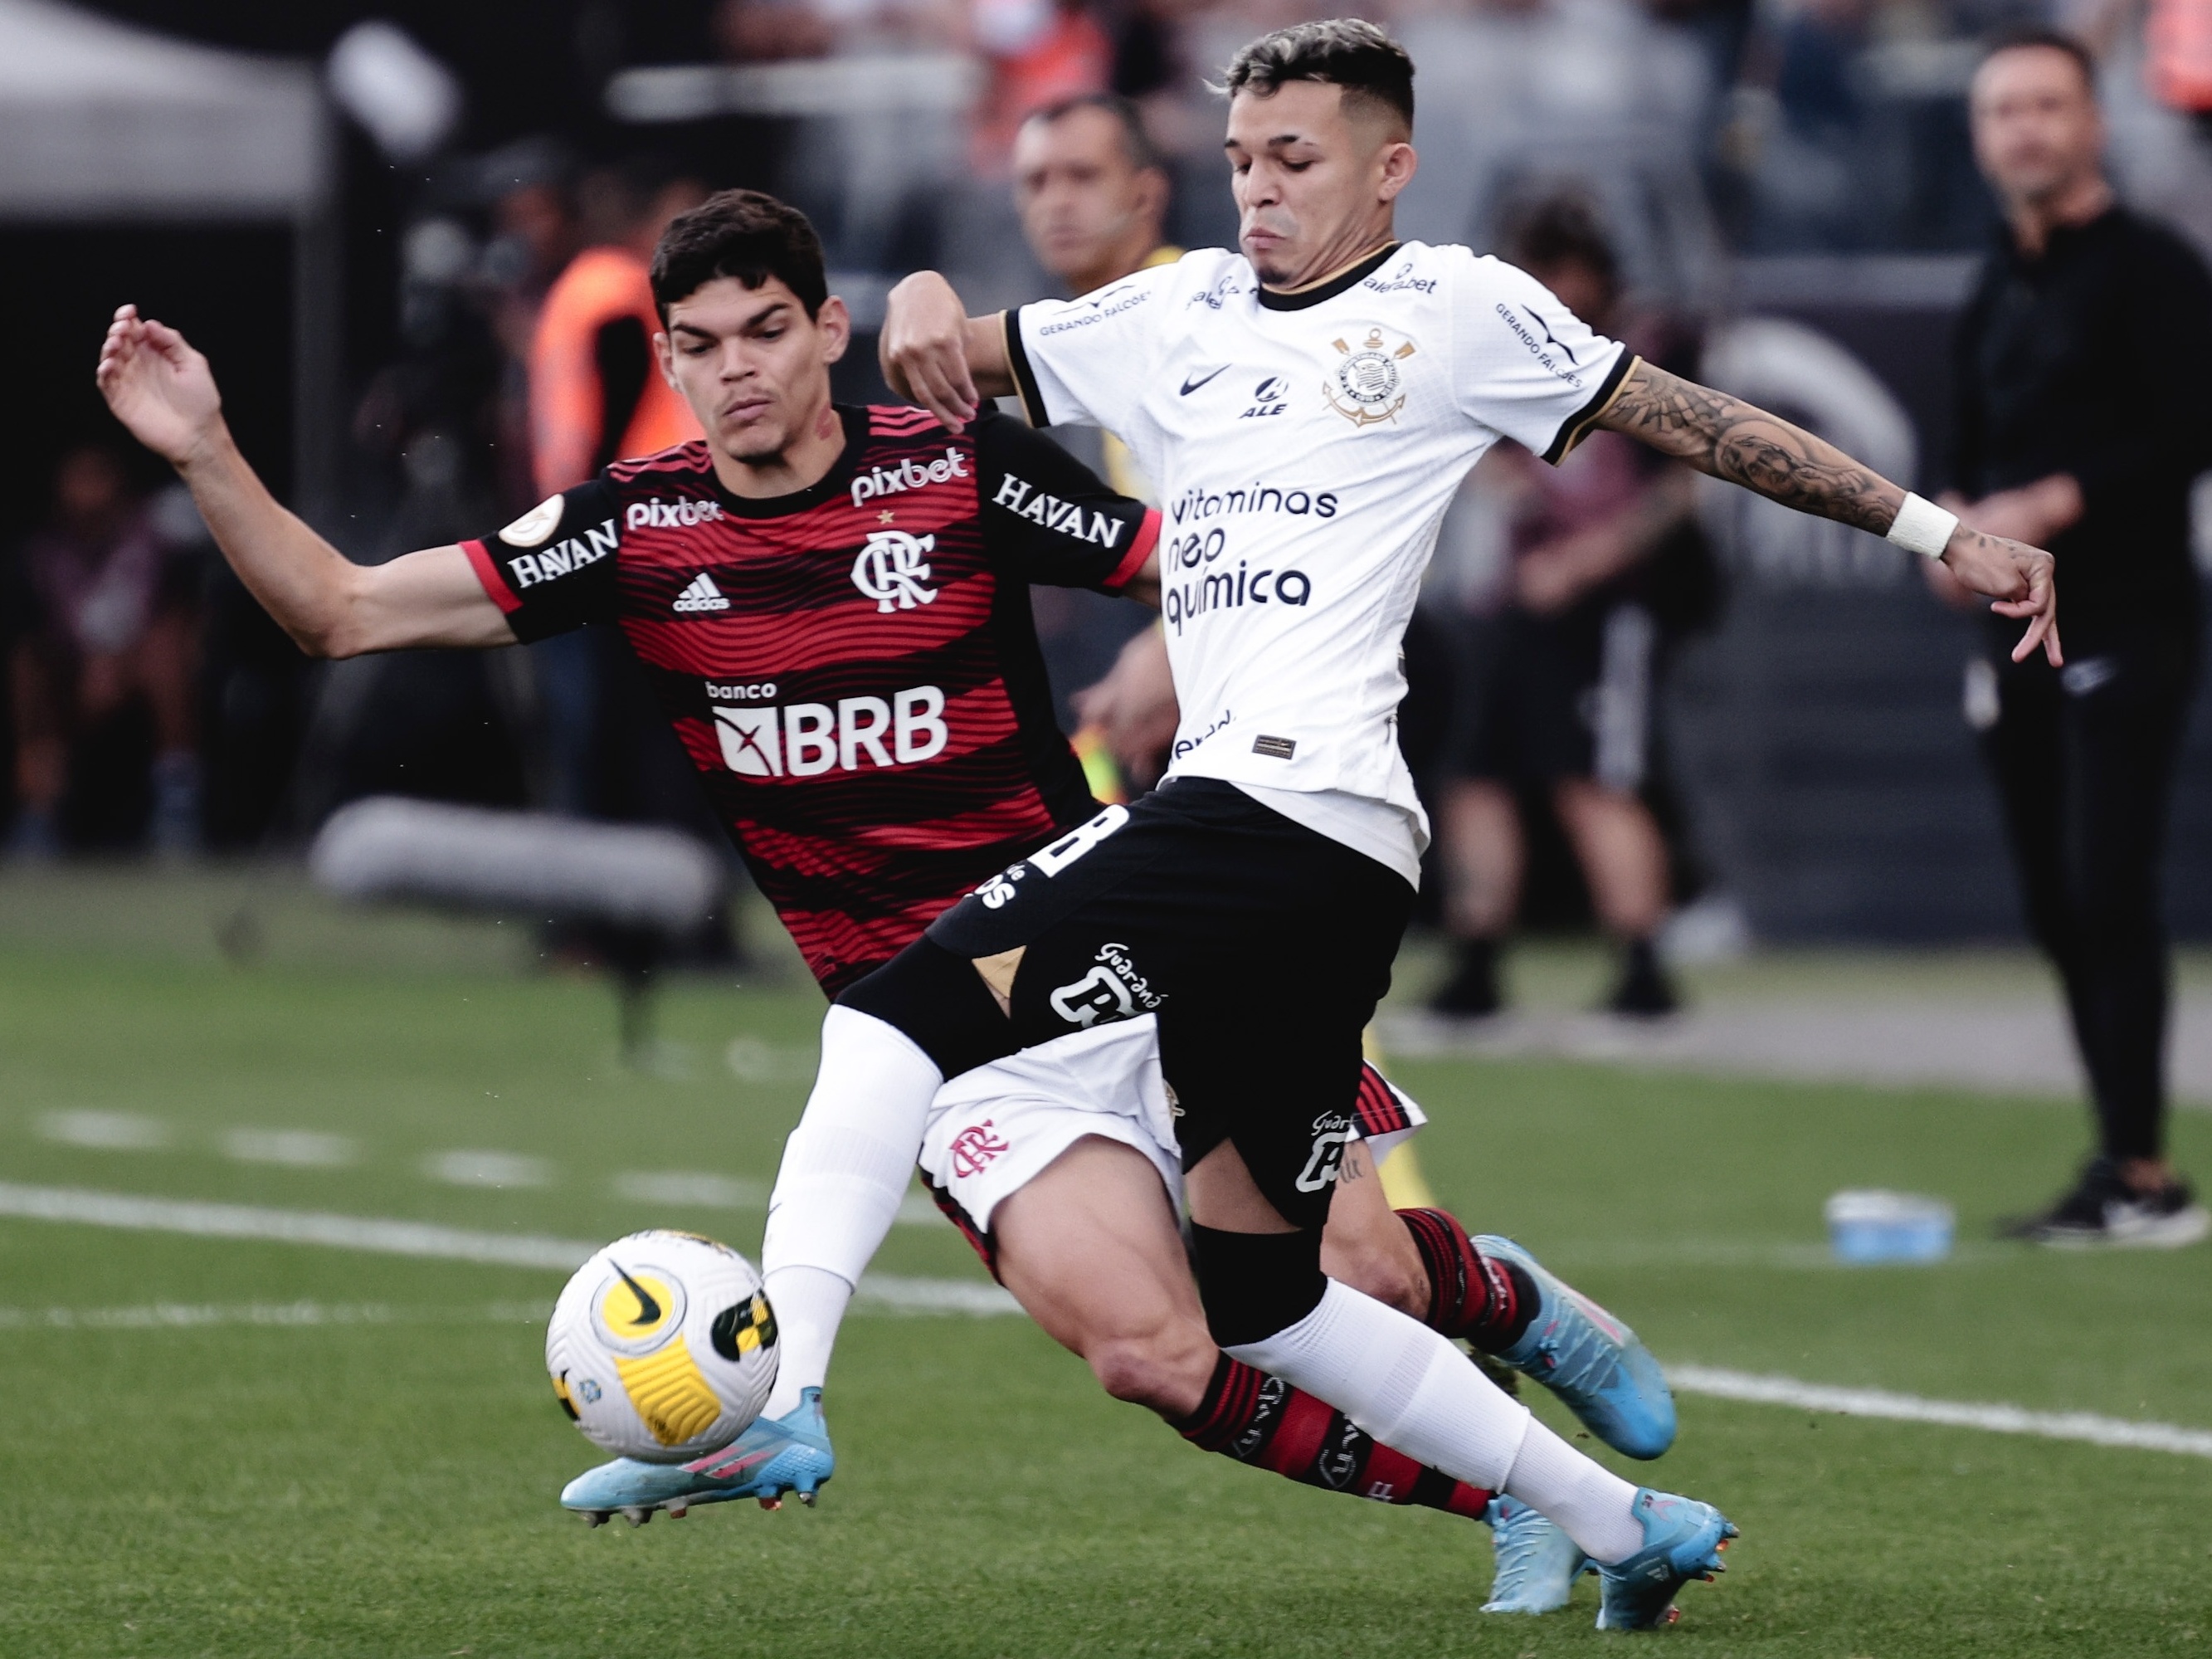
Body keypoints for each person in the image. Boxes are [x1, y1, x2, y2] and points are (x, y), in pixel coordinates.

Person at [95, 188, 1665, 1618]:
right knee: (1152, 1350)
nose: (738, 372)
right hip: (943, 1045)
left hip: (1134, 941)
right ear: (671, 359)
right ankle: (1511, 1502)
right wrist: (202, 448)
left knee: (1362, 1281)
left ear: (828, 331)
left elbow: (1211, 570)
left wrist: (1196, 689)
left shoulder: (954, 468)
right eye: (700, 346)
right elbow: (340, 609)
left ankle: (1509, 1298)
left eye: (769, 331)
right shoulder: (635, 527)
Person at [804, 16, 2057, 1630]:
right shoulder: (1166, 312)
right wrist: (914, 300)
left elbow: (1692, 422)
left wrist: (1934, 533)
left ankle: (780, 1380)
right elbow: (943, 350)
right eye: (1241, 162)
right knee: (1260, 1294)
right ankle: (1625, 1522)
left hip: (1286, 812)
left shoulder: (1457, 309)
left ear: (1391, 167)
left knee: (902, 1015)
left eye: (1296, 162)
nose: (1257, 194)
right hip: (1303, 854)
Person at [1937, 28, 2211, 1248]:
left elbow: (2186, 428)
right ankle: (2116, 1155)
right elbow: (1959, 446)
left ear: (2092, 121)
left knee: (2106, 883)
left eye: (2048, 105)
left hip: (2126, 612)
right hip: (2011, 633)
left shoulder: (2151, 268)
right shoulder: (1994, 275)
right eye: (2004, 111)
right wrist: (1944, 531)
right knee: (2055, 896)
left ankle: (2144, 1169)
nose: (2026, 130)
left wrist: (2053, 501)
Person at [1426, 196, 1703, 1020]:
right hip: (1507, 596)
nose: (1549, 284)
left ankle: (1642, 961)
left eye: (1561, 266)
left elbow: (1680, 487)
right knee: (1477, 775)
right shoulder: (1503, 349)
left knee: (1591, 777)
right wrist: (1497, 481)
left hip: (1600, 604)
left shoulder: (1645, 351)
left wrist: (1589, 560)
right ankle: (1475, 956)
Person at [1011, 92, 1181, 775]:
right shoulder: (1068, 335)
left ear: (1147, 194)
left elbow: (1255, 526)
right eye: (1036, 181)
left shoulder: (1186, 318)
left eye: (1082, 176)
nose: (1056, 201)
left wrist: (1170, 650)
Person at [7, 446, 201, 859]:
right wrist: (90, 669)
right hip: (72, 675)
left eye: (98, 477)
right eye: (78, 479)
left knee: (166, 653)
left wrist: (118, 665)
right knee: (27, 673)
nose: (89, 491)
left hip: (138, 669)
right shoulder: (42, 555)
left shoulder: (154, 539)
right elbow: (37, 637)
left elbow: (182, 619)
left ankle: (177, 805)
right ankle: (39, 812)